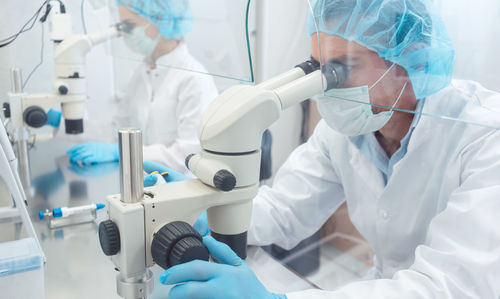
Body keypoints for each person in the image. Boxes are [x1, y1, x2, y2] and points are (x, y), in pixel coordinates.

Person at [145, 0, 500, 298]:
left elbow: (449, 285)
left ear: (408, 62)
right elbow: (283, 211)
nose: (325, 88)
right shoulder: (348, 130)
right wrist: (206, 207)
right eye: (317, 66)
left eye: (341, 69)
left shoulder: (485, 138)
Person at [66, 0, 218, 173]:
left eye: (130, 25)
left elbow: (186, 154)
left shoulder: (194, 79)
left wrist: (122, 152)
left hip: (180, 189)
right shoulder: (144, 71)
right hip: (145, 182)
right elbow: (118, 132)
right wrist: (64, 124)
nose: (125, 33)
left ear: (162, 19)